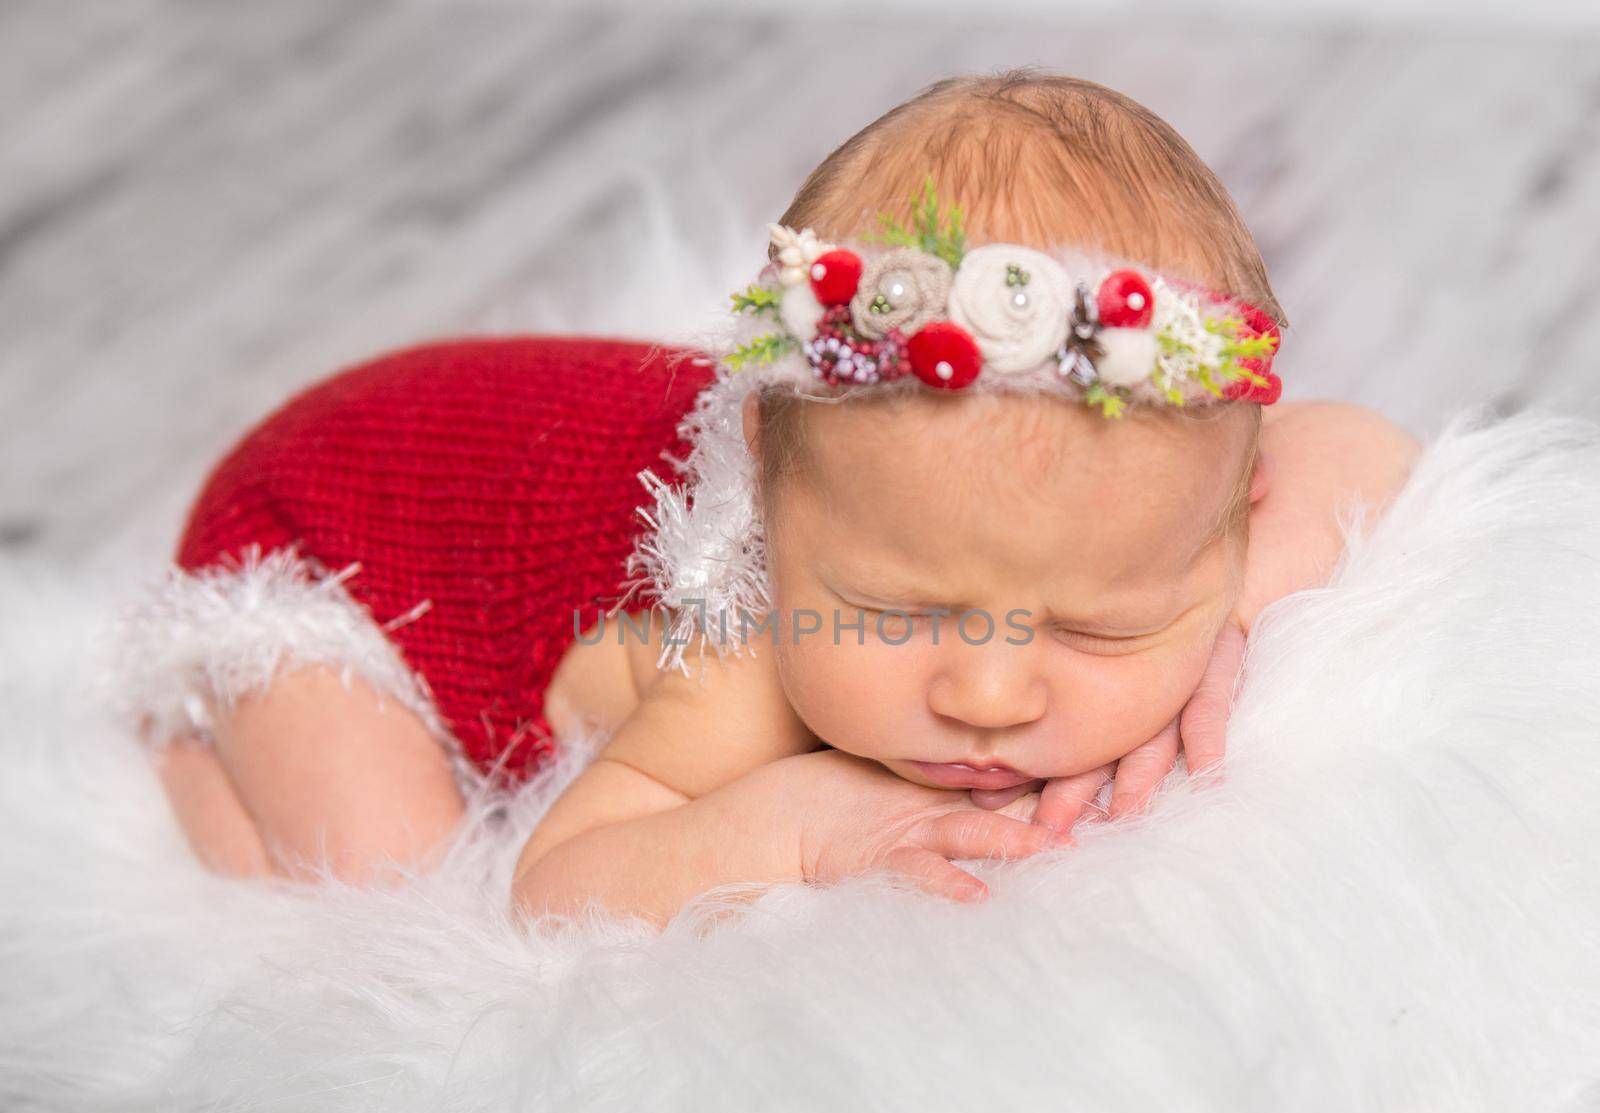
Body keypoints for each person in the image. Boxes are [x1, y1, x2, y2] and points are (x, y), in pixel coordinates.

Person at [127, 72, 1419, 921]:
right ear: (768, 481)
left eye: (1096, 626)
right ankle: (196, 751)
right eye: (895, 612)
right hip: (328, 529)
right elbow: (557, 887)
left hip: (470, 416)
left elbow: (1363, 446)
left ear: (1229, 512)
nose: (988, 696)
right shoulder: (743, 657)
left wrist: (1222, 622)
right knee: (379, 896)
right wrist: (777, 825)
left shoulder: (1162, 477)